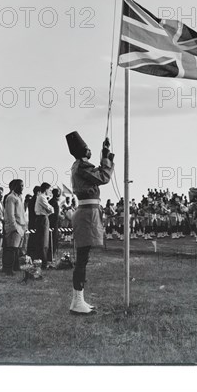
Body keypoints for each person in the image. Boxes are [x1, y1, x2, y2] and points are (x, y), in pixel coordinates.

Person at [66, 131, 114, 315]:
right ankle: (77, 302)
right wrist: (106, 157)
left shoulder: (80, 166)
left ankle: (79, 300)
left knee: (83, 258)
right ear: (84, 151)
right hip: (86, 214)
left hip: (88, 212)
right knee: (82, 259)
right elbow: (104, 177)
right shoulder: (82, 167)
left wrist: (105, 154)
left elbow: (100, 174)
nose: (90, 150)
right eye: (88, 149)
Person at [3, 179, 27, 275]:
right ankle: (8, 270)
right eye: (21, 185)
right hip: (14, 226)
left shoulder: (20, 197)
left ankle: (15, 267)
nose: (22, 187)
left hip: (20, 226)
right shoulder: (11, 198)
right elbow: (10, 214)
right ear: (15, 186)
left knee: (16, 249)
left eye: (23, 185)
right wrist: (14, 227)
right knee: (11, 249)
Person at [34, 182, 54, 268]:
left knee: (44, 241)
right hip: (42, 218)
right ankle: (44, 263)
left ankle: (44, 261)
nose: (50, 191)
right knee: (43, 242)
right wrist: (51, 209)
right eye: (49, 190)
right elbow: (50, 209)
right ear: (46, 189)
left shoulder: (42, 197)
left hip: (43, 218)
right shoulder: (42, 197)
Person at [48, 188, 61, 260]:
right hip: (53, 224)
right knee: (53, 241)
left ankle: (52, 256)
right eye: (58, 193)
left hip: (53, 223)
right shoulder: (54, 202)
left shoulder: (52, 201)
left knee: (54, 241)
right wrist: (53, 225)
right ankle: (51, 257)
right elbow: (54, 215)